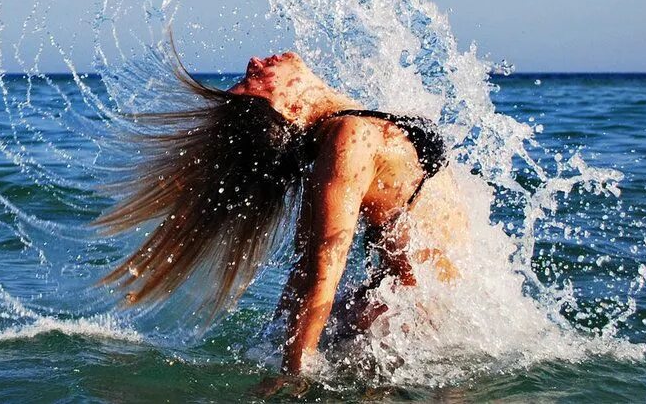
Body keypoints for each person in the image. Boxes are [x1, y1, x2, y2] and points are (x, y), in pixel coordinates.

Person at [94, 50, 470, 396]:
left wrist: (279, 349)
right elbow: (323, 264)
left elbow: (305, 269)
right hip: (416, 318)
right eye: (253, 83)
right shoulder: (346, 139)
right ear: (289, 109)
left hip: (401, 308)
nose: (254, 62)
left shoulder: (330, 142)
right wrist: (293, 376)